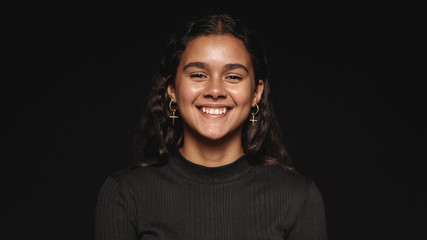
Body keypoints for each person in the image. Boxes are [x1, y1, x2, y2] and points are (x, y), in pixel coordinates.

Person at [95, 12, 328, 240]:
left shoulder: (298, 197)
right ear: (172, 90)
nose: (215, 91)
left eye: (233, 77)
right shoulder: (125, 194)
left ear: (256, 93)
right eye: (198, 75)